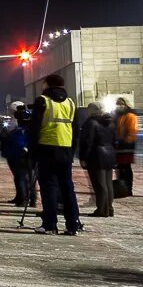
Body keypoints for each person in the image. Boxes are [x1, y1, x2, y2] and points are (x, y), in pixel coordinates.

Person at [29, 73, 80, 235]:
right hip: (65, 148)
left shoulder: (42, 101)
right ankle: (72, 225)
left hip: (46, 148)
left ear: (47, 85)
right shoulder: (71, 103)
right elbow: (75, 129)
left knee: (49, 186)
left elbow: (35, 128)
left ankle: (50, 224)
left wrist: (32, 150)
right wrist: (72, 150)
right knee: (67, 187)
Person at [77, 102, 116, 216]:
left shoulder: (91, 123)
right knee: (108, 183)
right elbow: (115, 140)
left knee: (99, 184)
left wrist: (83, 157)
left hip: (96, 155)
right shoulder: (110, 122)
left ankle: (102, 210)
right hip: (109, 154)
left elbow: (87, 141)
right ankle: (109, 208)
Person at [0, 102, 33, 206]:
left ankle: (23, 198)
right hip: (25, 151)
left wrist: (3, 134)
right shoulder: (29, 120)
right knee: (27, 176)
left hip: (16, 152)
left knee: (20, 176)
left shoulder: (14, 122)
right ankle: (27, 198)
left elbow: (5, 135)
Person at [114, 97, 138, 197]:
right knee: (120, 168)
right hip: (118, 147)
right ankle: (122, 188)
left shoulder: (130, 116)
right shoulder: (116, 116)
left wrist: (124, 142)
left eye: (121, 104)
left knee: (126, 168)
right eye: (118, 104)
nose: (119, 106)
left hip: (126, 147)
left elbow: (132, 132)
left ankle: (128, 189)